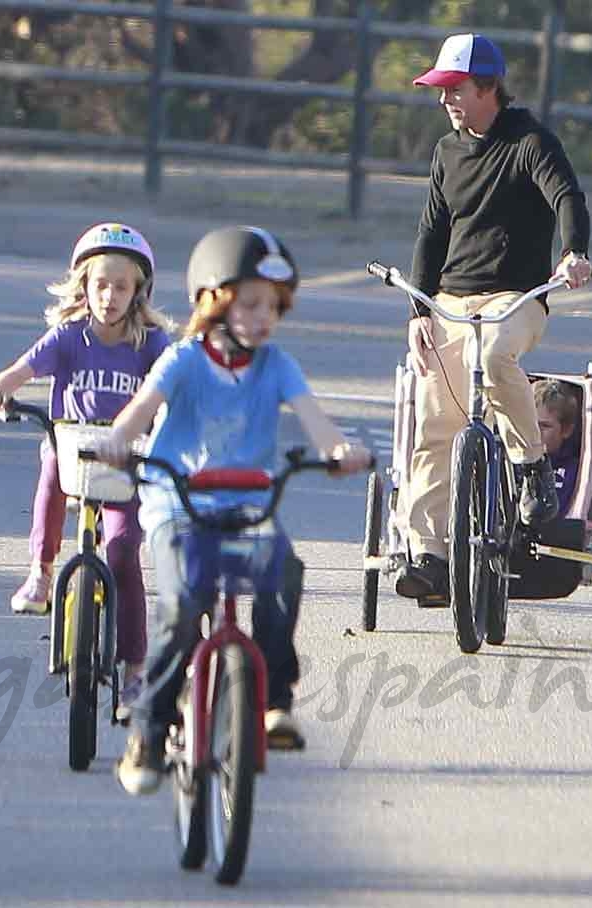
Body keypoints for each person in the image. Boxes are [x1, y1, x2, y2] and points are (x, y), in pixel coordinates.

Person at [93, 225, 372, 795]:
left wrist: (338, 451)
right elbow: (142, 409)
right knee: (185, 602)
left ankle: (272, 702)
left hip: (247, 503)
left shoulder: (276, 366)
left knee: (282, 571)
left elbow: (315, 420)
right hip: (179, 504)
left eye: (273, 306)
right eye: (250, 303)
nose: (263, 317)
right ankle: (147, 728)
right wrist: (118, 440)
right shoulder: (183, 360)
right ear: (213, 301)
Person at [395, 33, 592, 605]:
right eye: (441, 91)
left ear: (488, 88)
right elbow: (431, 233)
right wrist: (419, 308)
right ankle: (430, 556)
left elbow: (566, 196)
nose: (445, 102)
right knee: (435, 425)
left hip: (518, 298)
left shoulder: (530, 141)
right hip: (451, 303)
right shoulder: (447, 153)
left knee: (493, 355)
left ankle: (531, 470)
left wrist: (573, 253)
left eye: (454, 90)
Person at [0, 223, 173, 709]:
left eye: (121, 286)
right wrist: (1, 389)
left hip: (125, 458)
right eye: (100, 284)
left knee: (125, 549)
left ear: (138, 292)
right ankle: (41, 571)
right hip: (72, 448)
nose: (109, 296)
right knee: (50, 473)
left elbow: (175, 384)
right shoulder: (69, 336)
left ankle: (134, 667)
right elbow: (23, 368)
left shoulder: (150, 343)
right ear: (83, 286)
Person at [534, 379, 581, 517]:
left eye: (545, 426)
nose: (536, 432)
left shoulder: (572, 469)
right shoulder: (511, 463)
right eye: (532, 425)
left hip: (555, 530)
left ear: (566, 430)